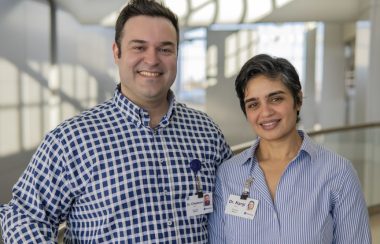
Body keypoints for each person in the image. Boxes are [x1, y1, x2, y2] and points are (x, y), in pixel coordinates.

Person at [0, 0, 232, 243]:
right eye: (139, 47)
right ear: (116, 52)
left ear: (176, 54)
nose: (152, 60)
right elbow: (23, 216)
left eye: (165, 49)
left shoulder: (207, 132)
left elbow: (233, 207)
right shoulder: (71, 139)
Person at [207, 54, 372, 243]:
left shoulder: (338, 173)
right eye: (253, 104)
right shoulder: (228, 174)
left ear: (298, 100)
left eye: (276, 99)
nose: (266, 112)